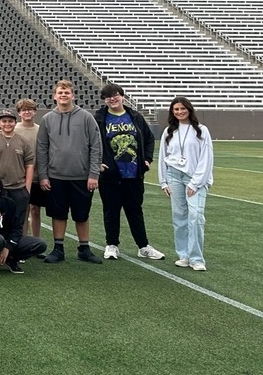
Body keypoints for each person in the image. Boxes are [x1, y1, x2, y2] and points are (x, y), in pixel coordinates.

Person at [35, 79, 103, 265]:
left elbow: (96, 146)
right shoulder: (47, 119)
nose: (63, 95)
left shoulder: (86, 117)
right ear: (54, 96)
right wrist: (43, 175)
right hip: (56, 176)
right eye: (60, 92)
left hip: (81, 176)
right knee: (58, 214)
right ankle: (58, 248)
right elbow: (41, 148)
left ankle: (84, 248)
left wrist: (93, 174)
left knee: (82, 214)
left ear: (73, 95)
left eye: (67, 92)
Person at [94, 83, 165, 261]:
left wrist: (147, 159)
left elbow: (149, 139)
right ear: (105, 100)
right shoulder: (99, 118)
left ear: (122, 96)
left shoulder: (134, 116)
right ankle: (112, 245)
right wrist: (98, 163)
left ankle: (143, 246)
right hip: (110, 175)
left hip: (133, 174)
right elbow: (91, 142)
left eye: (115, 95)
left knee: (135, 210)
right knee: (111, 210)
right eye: (108, 96)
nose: (112, 99)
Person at [158, 96, 214, 272]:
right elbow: (162, 157)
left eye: (183, 109)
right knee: (179, 217)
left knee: (196, 216)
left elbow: (206, 158)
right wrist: (163, 181)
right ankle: (184, 255)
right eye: (176, 109)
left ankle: (196, 258)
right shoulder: (169, 131)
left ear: (189, 110)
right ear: (172, 112)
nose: (180, 112)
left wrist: (196, 182)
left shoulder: (202, 130)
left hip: (194, 177)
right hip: (173, 176)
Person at [0, 174, 48, 275]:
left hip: (9, 241)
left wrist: (8, 247)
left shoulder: (9, 203)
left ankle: (11, 259)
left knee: (40, 244)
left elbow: (17, 228)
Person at [0, 109, 35, 240]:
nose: (7, 124)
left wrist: (27, 188)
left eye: (10, 121)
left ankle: (16, 247)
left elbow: (29, 166)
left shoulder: (23, 142)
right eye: (4, 121)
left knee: (18, 220)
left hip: (18, 188)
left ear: (15, 123)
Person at [15, 98, 43, 237]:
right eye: (23, 110)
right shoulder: (15, 130)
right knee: (23, 210)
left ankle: (36, 240)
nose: (27, 112)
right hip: (20, 177)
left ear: (35, 112)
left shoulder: (40, 130)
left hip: (37, 177)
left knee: (35, 209)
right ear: (19, 113)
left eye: (29, 109)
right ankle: (23, 241)